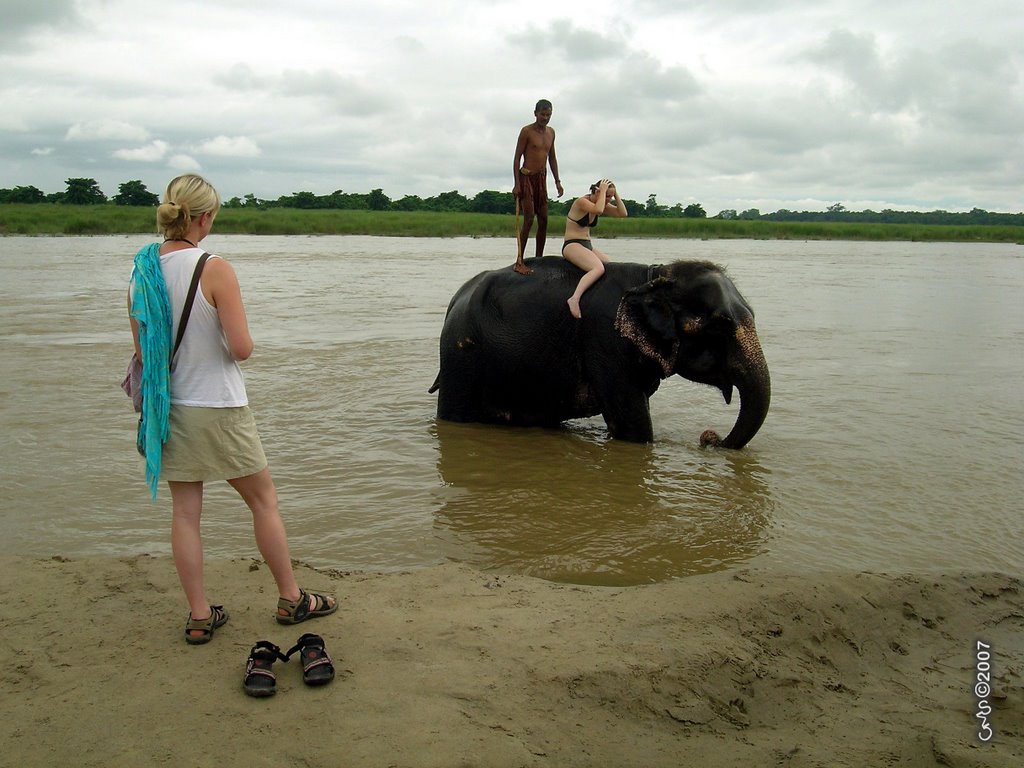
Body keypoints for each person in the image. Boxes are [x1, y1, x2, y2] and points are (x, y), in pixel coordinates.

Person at [127, 174, 336, 645]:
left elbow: (142, 352)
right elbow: (241, 349)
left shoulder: (141, 270)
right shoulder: (213, 267)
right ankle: (290, 598)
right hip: (219, 406)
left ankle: (200, 616)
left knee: (185, 513)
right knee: (264, 502)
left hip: (172, 409)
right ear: (204, 218)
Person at [562, 179, 629, 319]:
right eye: (607, 196)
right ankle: (574, 298)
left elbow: (623, 214)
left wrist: (616, 195)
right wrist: (603, 191)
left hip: (587, 245)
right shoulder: (582, 202)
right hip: (572, 244)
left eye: (610, 196)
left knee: (609, 263)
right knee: (598, 268)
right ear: (597, 191)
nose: (608, 199)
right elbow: (597, 210)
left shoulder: (602, 204)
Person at [512, 98, 564, 274]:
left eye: (548, 115)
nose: (545, 118)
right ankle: (520, 260)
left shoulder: (551, 133)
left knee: (544, 219)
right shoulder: (526, 131)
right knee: (528, 219)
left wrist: (557, 181)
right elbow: (517, 158)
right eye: (542, 114)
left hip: (541, 179)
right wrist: (517, 184)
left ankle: (539, 258)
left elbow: (552, 158)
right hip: (526, 177)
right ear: (535, 113)